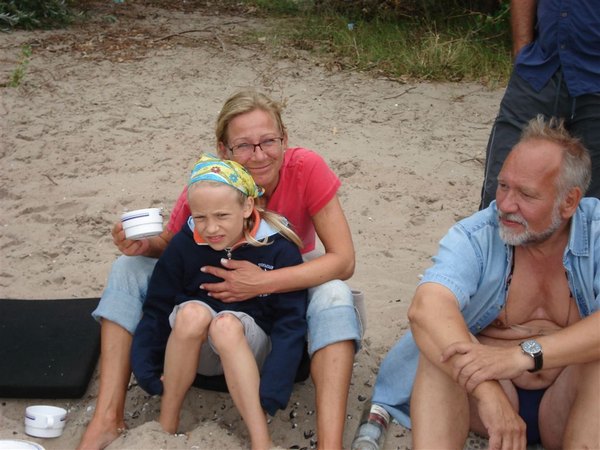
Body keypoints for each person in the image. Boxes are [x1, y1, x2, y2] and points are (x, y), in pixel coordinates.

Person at [78, 89, 361, 450]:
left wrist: (263, 282)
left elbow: (344, 260)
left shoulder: (306, 168)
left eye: (268, 141)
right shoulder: (211, 184)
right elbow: (176, 247)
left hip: (280, 277)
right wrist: (143, 246)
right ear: (224, 149)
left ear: (284, 139)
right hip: (210, 293)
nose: (259, 155)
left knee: (335, 292)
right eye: (243, 145)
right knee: (128, 267)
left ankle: (330, 444)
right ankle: (107, 417)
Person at [354, 116, 600, 450]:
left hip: (569, 400)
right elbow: (426, 308)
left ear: (569, 201)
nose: (506, 205)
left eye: (526, 194)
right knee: (443, 347)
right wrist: (488, 393)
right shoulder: (477, 235)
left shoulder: (595, 232)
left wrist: (522, 355)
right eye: (503, 186)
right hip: (490, 397)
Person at [131, 154, 307, 450]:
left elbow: (290, 322)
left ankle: (261, 440)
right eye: (201, 217)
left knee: (225, 325)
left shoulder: (279, 248)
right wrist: (146, 366)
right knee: (191, 313)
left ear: (247, 207)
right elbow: (157, 305)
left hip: (251, 351)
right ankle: (166, 424)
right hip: (195, 351)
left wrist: (275, 386)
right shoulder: (184, 244)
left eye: (222, 216)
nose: (211, 228)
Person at [480, 0, 600, 209]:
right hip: (539, 69)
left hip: (594, 77)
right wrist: (522, 47)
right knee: (500, 189)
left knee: (590, 205)